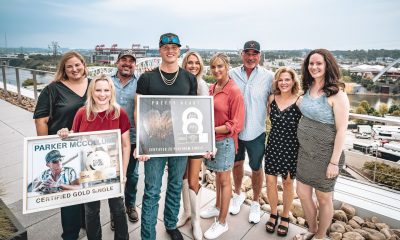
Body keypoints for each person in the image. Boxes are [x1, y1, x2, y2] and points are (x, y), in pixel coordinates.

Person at [134, 33, 197, 240]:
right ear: (160, 50)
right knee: (152, 190)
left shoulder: (189, 78)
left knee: (175, 184)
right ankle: (148, 235)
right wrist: (142, 142)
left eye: (174, 47)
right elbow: (138, 109)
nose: (170, 50)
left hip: (180, 143)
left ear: (179, 50)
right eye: (166, 47)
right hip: (154, 143)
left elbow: (193, 111)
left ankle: (171, 224)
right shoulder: (147, 78)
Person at [58, 73, 130, 240]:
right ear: (92, 91)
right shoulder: (82, 113)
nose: (102, 94)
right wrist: (65, 133)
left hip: (113, 171)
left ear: (111, 92)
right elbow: (75, 141)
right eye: (98, 90)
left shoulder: (120, 113)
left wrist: (124, 173)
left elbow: (125, 145)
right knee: (91, 211)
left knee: (118, 209)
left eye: (106, 90)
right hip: (89, 174)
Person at [293, 49, 349, 240]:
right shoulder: (307, 89)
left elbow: (342, 130)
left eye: (319, 63)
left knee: (324, 198)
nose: (314, 67)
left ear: (327, 66)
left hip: (327, 156)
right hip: (305, 153)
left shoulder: (337, 94)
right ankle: (312, 228)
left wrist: (334, 162)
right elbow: (302, 106)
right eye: (311, 63)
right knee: (302, 193)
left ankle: (320, 236)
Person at [33, 51, 89, 240]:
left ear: (83, 64)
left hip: (88, 146)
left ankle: (85, 224)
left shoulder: (93, 85)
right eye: (69, 66)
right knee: (69, 193)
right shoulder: (53, 89)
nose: (74, 69)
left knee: (86, 187)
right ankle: (70, 235)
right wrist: (45, 147)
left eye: (77, 64)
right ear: (63, 69)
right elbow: (41, 120)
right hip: (64, 146)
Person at [200, 53, 245, 239]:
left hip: (225, 142)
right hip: (212, 140)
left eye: (220, 66)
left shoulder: (234, 91)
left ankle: (222, 222)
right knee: (218, 177)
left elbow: (236, 124)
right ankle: (217, 206)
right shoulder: (212, 88)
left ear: (227, 67)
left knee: (225, 181)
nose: (217, 70)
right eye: (213, 67)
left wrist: (210, 128)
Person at [228, 40, 274, 223]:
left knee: (256, 168)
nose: (250, 57)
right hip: (235, 131)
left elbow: (278, 98)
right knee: (237, 164)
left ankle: (255, 202)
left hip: (256, 132)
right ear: (242, 55)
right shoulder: (231, 74)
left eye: (254, 54)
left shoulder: (269, 76)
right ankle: (237, 194)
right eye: (247, 53)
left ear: (259, 56)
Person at [264, 67, 302, 237]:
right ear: (276, 82)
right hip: (273, 145)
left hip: (291, 148)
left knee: (287, 184)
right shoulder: (272, 99)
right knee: (270, 182)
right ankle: (273, 213)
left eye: (287, 79)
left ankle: (285, 216)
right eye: (280, 80)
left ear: (293, 81)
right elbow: (267, 119)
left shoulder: (299, 101)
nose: (284, 83)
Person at [176, 51, 208, 240]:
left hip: (195, 138)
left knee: (194, 179)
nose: (193, 66)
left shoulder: (201, 84)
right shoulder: (180, 83)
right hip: (180, 138)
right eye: (190, 62)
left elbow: (205, 114)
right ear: (184, 64)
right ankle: (186, 212)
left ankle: (196, 220)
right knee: (183, 177)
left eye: (196, 63)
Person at [110, 49, 140, 230]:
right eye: (124, 60)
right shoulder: (107, 81)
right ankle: (116, 211)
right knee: (112, 176)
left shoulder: (141, 83)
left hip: (134, 137)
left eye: (131, 61)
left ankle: (130, 204)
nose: (127, 63)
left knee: (132, 175)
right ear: (117, 63)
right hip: (109, 138)